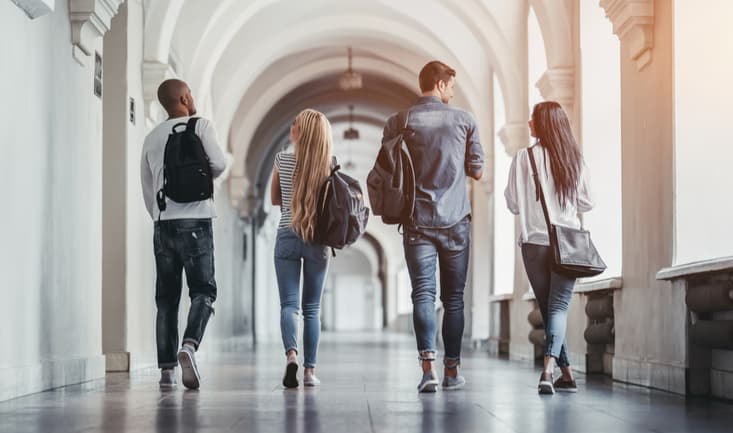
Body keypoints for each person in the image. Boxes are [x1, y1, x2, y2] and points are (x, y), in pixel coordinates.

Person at [381, 61, 485, 393]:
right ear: (440, 85)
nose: (452, 93)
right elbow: (478, 170)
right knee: (453, 299)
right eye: (451, 87)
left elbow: (387, 169)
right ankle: (452, 371)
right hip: (456, 221)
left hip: (417, 221)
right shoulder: (464, 120)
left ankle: (428, 370)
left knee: (422, 295)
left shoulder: (399, 121)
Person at [140, 79, 229, 389]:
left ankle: (166, 371)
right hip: (197, 220)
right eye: (189, 92)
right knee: (203, 291)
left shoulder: (151, 136)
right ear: (183, 97)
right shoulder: (200, 126)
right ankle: (189, 346)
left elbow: (148, 189)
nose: (192, 97)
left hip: (163, 224)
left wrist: (162, 215)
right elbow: (220, 164)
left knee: (166, 299)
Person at [504, 101, 593, 395]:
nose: (529, 123)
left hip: (534, 244)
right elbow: (587, 203)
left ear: (543, 124)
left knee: (549, 308)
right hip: (567, 243)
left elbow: (513, 204)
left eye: (533, 118)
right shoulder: (574, 159)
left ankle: (553, 372)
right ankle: (558, 372)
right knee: (556, 309)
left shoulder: (522, 158)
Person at [270, 109, 333, 388]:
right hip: (317, 239)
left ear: (301, 132)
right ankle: (309, 372)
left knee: (289, 305)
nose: (290, 126)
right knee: (312, 309)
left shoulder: (281, 159)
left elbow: (275, 199)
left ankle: (291, 356)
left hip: (287, 233)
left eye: (294, 123)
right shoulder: (329, 164)